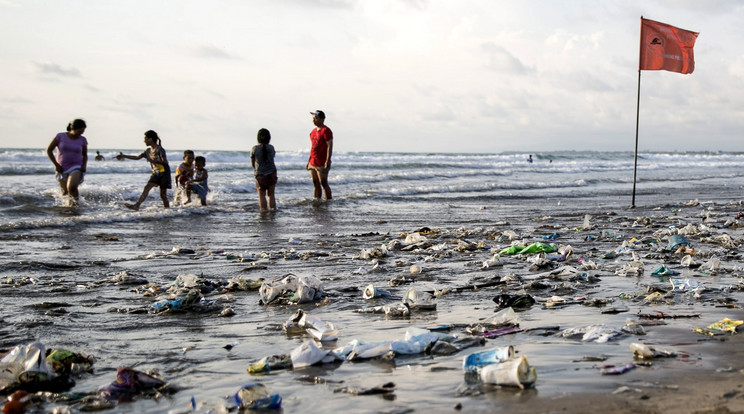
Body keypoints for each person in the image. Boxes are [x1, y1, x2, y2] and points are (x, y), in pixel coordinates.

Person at [116, 130, 171, 210]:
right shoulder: (148, 151)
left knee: (163, 194)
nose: (144, 140)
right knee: (147, 187)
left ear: (150, 139)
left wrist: (152, 161)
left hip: (164, 174)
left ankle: (168, 210)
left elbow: (165, 162)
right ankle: (137, 205)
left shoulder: (160, 149)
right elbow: (137, 158)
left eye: (145, 138)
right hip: (155, 173)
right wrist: (123, 156)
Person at [46, 118, 88, 205]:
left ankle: (77, 205)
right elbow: (49, 150)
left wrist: (84, 166)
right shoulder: (60, 136)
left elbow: (84, 154)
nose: (80, 134)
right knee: (65, 193)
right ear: (73, 128)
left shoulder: (82, 140)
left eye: (82, 131)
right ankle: (69, 210)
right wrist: (56, 165)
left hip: (76, 166)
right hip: (61, 167)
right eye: (79, 131)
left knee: (71, 187)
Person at [306, 110, 333, 200]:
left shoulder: (326, 130)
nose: (314, 120)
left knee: (323, 183)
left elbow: (330, 146)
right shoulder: (313, 132)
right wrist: (309, 160)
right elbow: (312, 147)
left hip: (322, 161)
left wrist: (327, 160)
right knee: (315, 183)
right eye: (313, 119)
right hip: (313, 161)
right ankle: (316, 200)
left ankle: (328, 200)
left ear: (322, 119)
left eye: (316, 118)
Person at [250, 128, 277, 211]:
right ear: (269, 138)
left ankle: (263, 211)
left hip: (260, 174)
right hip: (272, 172)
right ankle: (272, 211)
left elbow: (253, 163)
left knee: (261, 195)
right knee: (271, 194)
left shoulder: (254, 149)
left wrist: (256, 170)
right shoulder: (271, 148)